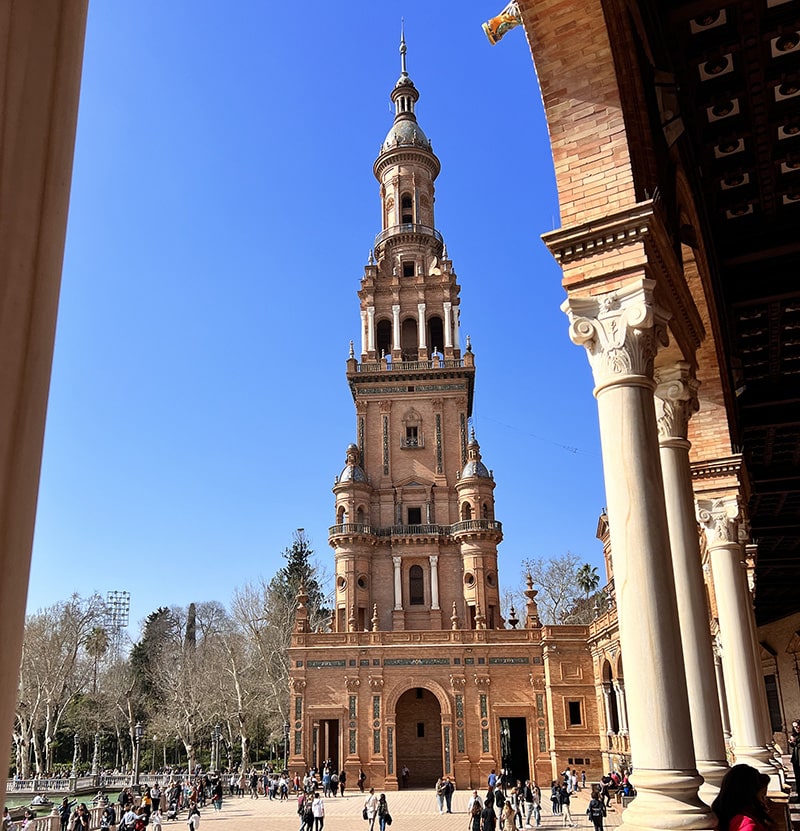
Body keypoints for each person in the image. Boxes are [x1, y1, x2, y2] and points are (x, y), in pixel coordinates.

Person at [711, 765, 774, 831]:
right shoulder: (747, 823)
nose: (765, 802)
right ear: (749, 795)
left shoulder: (726, 818)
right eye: (762, 797)